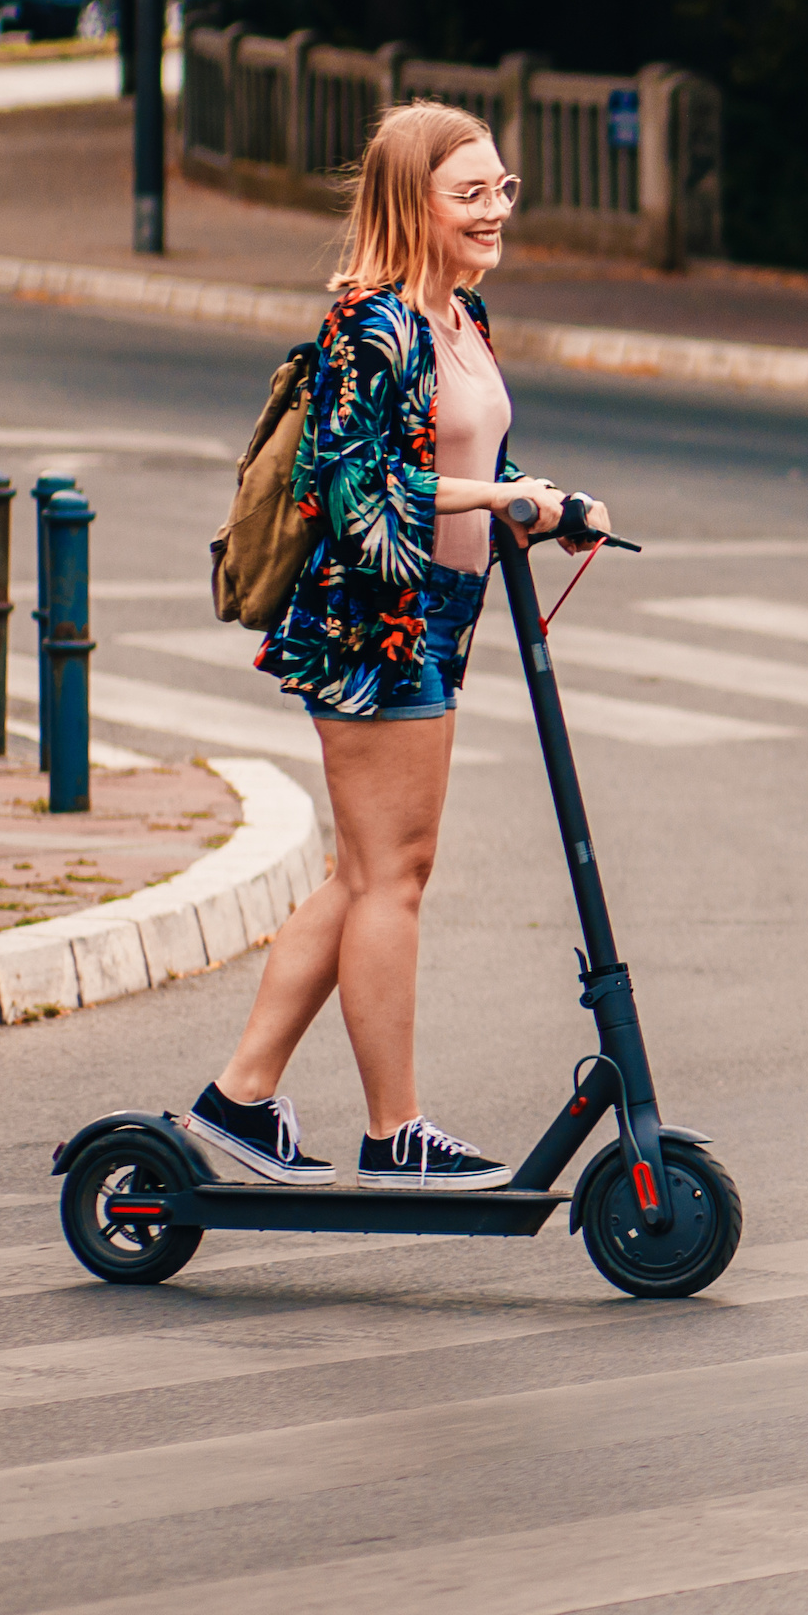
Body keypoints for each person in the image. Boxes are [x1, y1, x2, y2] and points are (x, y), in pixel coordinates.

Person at [181, 102, 607, 1192]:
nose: (493, 210)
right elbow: (355, 490)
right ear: (410, 202)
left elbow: (463, 453)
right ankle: (396, 1131)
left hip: (435, 623)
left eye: (502, 189)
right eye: (470, 194)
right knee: (392, 879)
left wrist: (544, 503)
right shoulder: (372, 324)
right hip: (374, 626)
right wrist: (506, 492)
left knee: (367, 873)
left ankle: (237, 1100)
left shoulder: (459, 316)